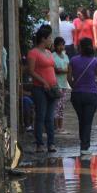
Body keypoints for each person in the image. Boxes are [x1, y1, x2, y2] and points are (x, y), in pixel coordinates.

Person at [68, 38, 97, 156]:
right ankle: (85, 146)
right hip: (91, 95)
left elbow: (69, 78)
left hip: (77, 95)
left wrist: (74, 86)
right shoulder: (95, 62)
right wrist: (93, 85)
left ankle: (83, 143)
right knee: (87, 121)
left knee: (81, 119)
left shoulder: (73, 60)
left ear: (80, 48)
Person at [27, 25, 58, 153]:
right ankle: (39, 144)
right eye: (49, 37)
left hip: (52, 88)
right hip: (40, 89)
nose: (51, 40)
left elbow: (52, 68)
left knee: (50, 117)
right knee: (40, 116)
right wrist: (43, 81)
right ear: (43, 39)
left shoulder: (49, 52)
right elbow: (31, 71)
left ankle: (51, 143)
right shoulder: (33, 53)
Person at [52, 37, 71, 134]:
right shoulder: (53, 56)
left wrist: (65, 71)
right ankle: (56, 127)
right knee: (56, 106)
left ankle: (61, 126)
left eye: (62, 45)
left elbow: (67, 69)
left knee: (62, 106)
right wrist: (66, 71)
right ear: (55, 46)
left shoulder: (65, 56)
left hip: (64, 84)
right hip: (56, 84)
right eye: (59, 45)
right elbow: (56, 70)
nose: (61, 47)